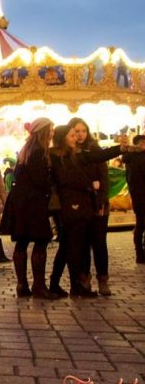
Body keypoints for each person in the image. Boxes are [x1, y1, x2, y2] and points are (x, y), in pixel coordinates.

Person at [49, 124, 133, 298]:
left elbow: (97, 156)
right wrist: (90, 185)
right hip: (71, 205)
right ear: (63, 138)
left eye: (80, 133)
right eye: (72, 135)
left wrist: (120, 148)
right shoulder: (57, 156)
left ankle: (66, 284)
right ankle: (72, 285)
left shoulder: (75, 154)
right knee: (72, 246)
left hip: (80, 205)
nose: (76, 137)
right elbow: (65, 179)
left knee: (70, 246)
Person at [0, 117, 58, 299]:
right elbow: (40, 180)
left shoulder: (26, 150)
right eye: (51, 129)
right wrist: (52, 185)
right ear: (43, 131)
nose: (52, 132)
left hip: (20, 201)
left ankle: (22, 284)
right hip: (33, 203)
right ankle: (39, 286)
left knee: (22, 241)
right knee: (41, 241)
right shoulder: (39, 151)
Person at [69, 117, 111, 295]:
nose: (80, 135)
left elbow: (104, 178)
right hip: (80, 204)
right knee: (83, 243)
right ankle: (84, 278)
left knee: (99, 242)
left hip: (97, 203)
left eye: (83, 131)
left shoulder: (95, 150)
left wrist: (102, 199)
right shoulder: (69, 152)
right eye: (77, 131)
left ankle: (103, 279)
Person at [124, 135, 145, 264]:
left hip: (137, 197)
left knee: (140, 224)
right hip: (141, 196)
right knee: (141, 225)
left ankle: (139, 254)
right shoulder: (139, 158)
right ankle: (140, 253)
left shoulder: (129, 158)